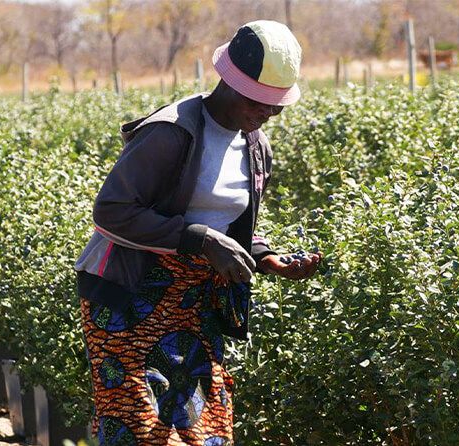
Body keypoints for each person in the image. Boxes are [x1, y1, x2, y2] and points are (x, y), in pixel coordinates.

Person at [74, 20, 322, 445]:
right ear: (227, 80)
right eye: (259, 101)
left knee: (201, 427)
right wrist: (200, 239)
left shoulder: (256, 146)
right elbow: (112, 210)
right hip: (130, 294)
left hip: (195, 299)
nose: (268, 112)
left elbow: (228, 224)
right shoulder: (170, 132)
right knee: (140, 428)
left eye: (276, 105)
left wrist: (265, 258)